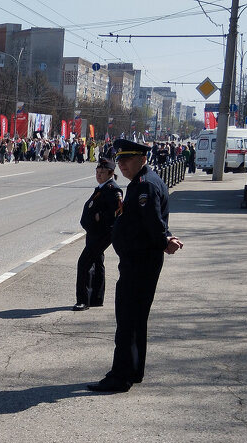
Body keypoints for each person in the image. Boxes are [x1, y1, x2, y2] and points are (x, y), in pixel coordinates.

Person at [87, 139, 183, 394]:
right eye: (119, 161)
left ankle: (120, 376)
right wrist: (166, 236)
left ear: (142, 159)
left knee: (128, 319)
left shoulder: (144, 186)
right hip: (140, 260)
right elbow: (154, 220)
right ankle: (134, 369)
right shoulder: (144, 182)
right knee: (137, 318)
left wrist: (164, 240)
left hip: (139, 262)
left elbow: (151, 221)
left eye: (126, 160)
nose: (122, 165)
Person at [74, 157, 124, 311]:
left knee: (84, 263)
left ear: (111, 173)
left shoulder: (113, 190)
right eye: (97, 171)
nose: (99, 174)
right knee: (97, 262)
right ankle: (96, 298)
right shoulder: (102, 187)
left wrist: (99, 216)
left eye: (102, 172)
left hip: (102, 233)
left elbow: (117, 212)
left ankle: (83, 300)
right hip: (94, 233)